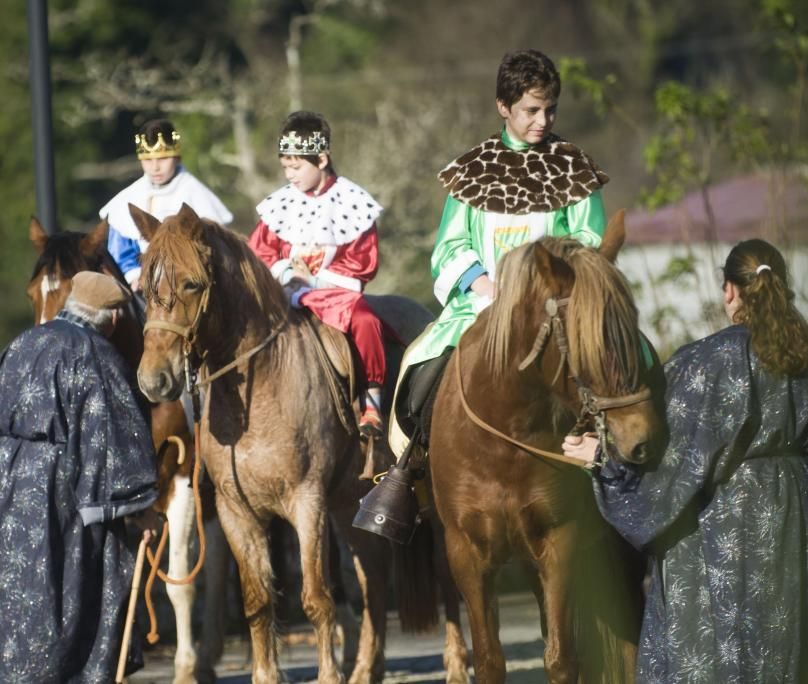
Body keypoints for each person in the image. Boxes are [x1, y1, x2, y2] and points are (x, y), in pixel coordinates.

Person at [565, 239, 808, 682]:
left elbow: (671, 472)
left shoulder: (704, 363)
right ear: (783, 287)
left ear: (730, 292)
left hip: (726, 547)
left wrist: (604, 459)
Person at [389, 48, 610, 455]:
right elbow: (451, 244)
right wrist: (483, 285)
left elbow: (590, 241)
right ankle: (406, 474)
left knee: (622, 367)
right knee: (418, 365)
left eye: (550, 110)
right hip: (483, 304)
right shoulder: (472, 171)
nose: (543, 121)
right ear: (503, 107)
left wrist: (549, 287)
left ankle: (619, 470)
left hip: (558, 309)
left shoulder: (573, 169)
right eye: (531, 110)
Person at [0, 272, 162, 683]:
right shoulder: (95, 354)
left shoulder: (21, 342)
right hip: (58, 489)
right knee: (60, 595)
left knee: (8, 593)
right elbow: (111, 437)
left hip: (6, 482)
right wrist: (140, 507)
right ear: (113, 319)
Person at [248, 110, 388, 434]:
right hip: (283, 293)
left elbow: (361, 264)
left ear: (321, 159)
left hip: (335, 297)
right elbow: (261, 251)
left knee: (367, 320)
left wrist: (311, 280)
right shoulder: (280, 203)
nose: (290, 175)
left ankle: (372, 401)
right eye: (285, 167)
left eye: (296, 167)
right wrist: (286, 273)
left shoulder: (354, 203)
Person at [100, 118, 234, 290]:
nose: (155, 167)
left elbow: (214, 246)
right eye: (148, 160)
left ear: (176, 157)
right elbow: (120, 246)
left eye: (162, 159)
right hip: (140, 285)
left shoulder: (196, 193)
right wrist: (133, 274)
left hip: (187, 283)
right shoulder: (129, 197)